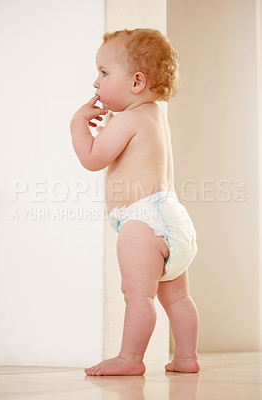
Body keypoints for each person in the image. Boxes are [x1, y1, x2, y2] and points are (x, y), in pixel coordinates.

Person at [70, 28, 200, 376]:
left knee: (137, 295)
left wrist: (77, 126)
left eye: (104, 73)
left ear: (137, 82)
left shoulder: (127, 119)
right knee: (177, 298)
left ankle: (130, 358)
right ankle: (187, 358)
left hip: (142, 221)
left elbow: (94, 157)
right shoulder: (154, 115)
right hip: (172, 218)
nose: (96, 82)